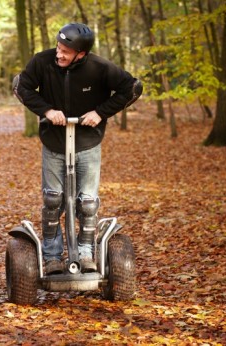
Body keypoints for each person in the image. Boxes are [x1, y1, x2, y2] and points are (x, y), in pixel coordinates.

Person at [13, 23, 142, 275]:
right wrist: (47, 111)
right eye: (59, 48)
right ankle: (51, 256)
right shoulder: (42, 62)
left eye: (65, 51)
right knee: (53, 201)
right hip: (54, 142)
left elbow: (133, 88)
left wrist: (100, 113)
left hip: (87, 143)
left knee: (88, 203)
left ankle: (85, 253)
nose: (59, 54)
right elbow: (21, 87)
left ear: (81, 54)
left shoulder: (99, 67)